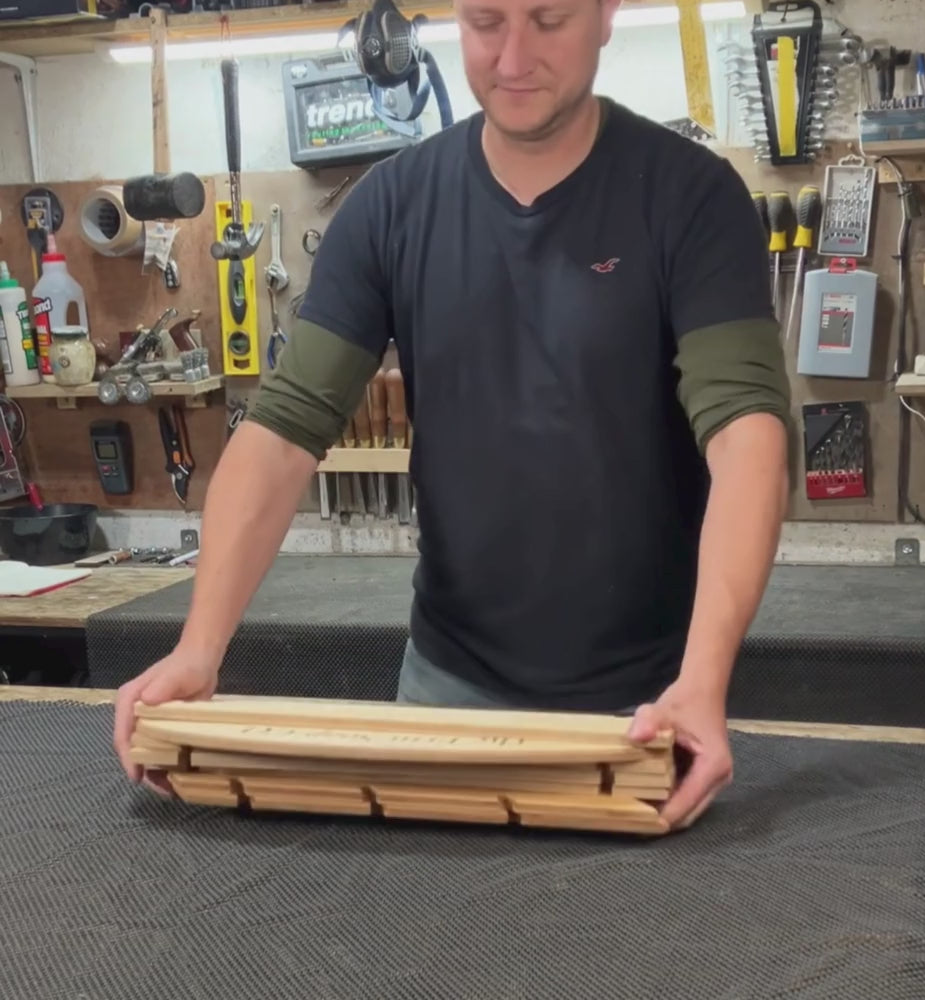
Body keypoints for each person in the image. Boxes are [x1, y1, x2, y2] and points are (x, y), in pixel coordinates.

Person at [114, 0, 791, 831]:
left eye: (549, 20)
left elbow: (746, 435)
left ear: (606, 13)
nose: (513, 57)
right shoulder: (389, 207)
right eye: (485, 22)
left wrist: (703, 680)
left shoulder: (691, 197)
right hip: (446, 698)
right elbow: (283, 432)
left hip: (648, 710)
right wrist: (198, 647)